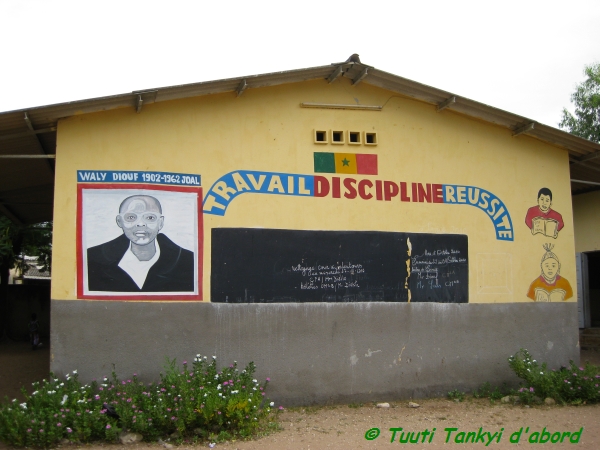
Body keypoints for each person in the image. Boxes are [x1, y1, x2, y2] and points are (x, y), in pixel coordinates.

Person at [87, 195, 194, 292]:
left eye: (150, 218)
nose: (141, 224)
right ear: (119, 221)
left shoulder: (188, 261)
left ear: (160, 223)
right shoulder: (92, 258)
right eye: (131, 217)